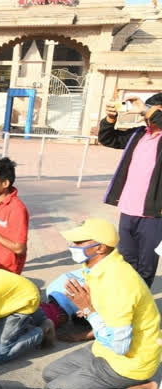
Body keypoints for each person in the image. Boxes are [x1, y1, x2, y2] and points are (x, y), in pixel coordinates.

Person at [42, 218, 160, 389]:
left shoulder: (119, 283)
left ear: (100, 248)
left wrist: (88, 309)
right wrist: (89, 307)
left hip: (128, 361)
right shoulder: (97, 267)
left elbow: (120, 346)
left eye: (79, 242)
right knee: (49, 374)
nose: (72, 246)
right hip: (104, 348)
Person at [99, 93, 162, 287]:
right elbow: (108, 138)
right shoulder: (138, 134)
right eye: (147, 111)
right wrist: (110, 118)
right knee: (126, 262)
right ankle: (126, 302)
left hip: (155, 216)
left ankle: (140, 307)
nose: (148, 116)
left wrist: (145, 108)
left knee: (147, 266)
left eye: (154, 111)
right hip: (128, 210)